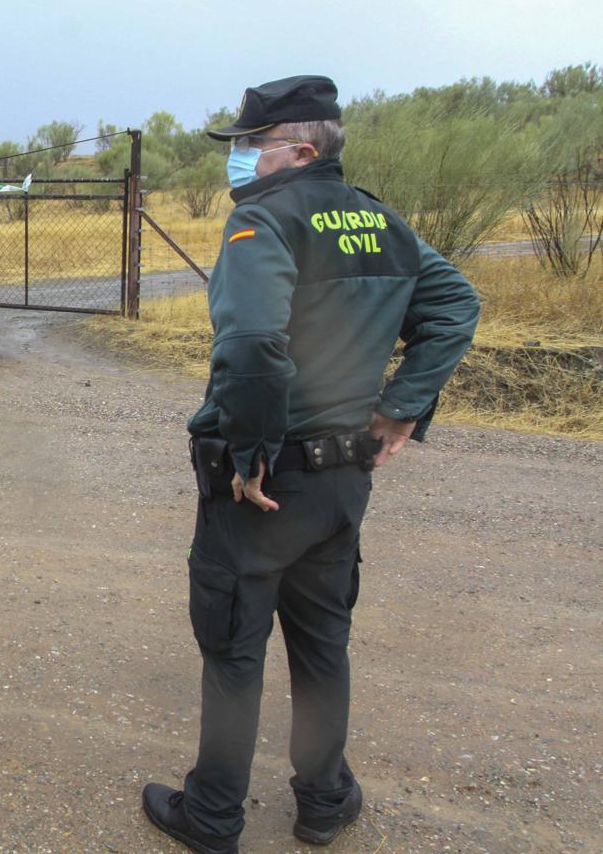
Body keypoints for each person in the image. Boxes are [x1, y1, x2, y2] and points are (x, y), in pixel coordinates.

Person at [141, 75, 481, 854]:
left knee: (234, 651)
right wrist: (401, 405)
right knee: (323, 646)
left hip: (262, 486)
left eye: (248, 147)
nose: (238, 163)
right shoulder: (382, 222)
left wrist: (252, 456)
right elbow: (457, 304)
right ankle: (323, 803)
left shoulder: (262, 223)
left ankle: (214, 816)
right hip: (342, 483)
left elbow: (254, 346)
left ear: (297, 149)